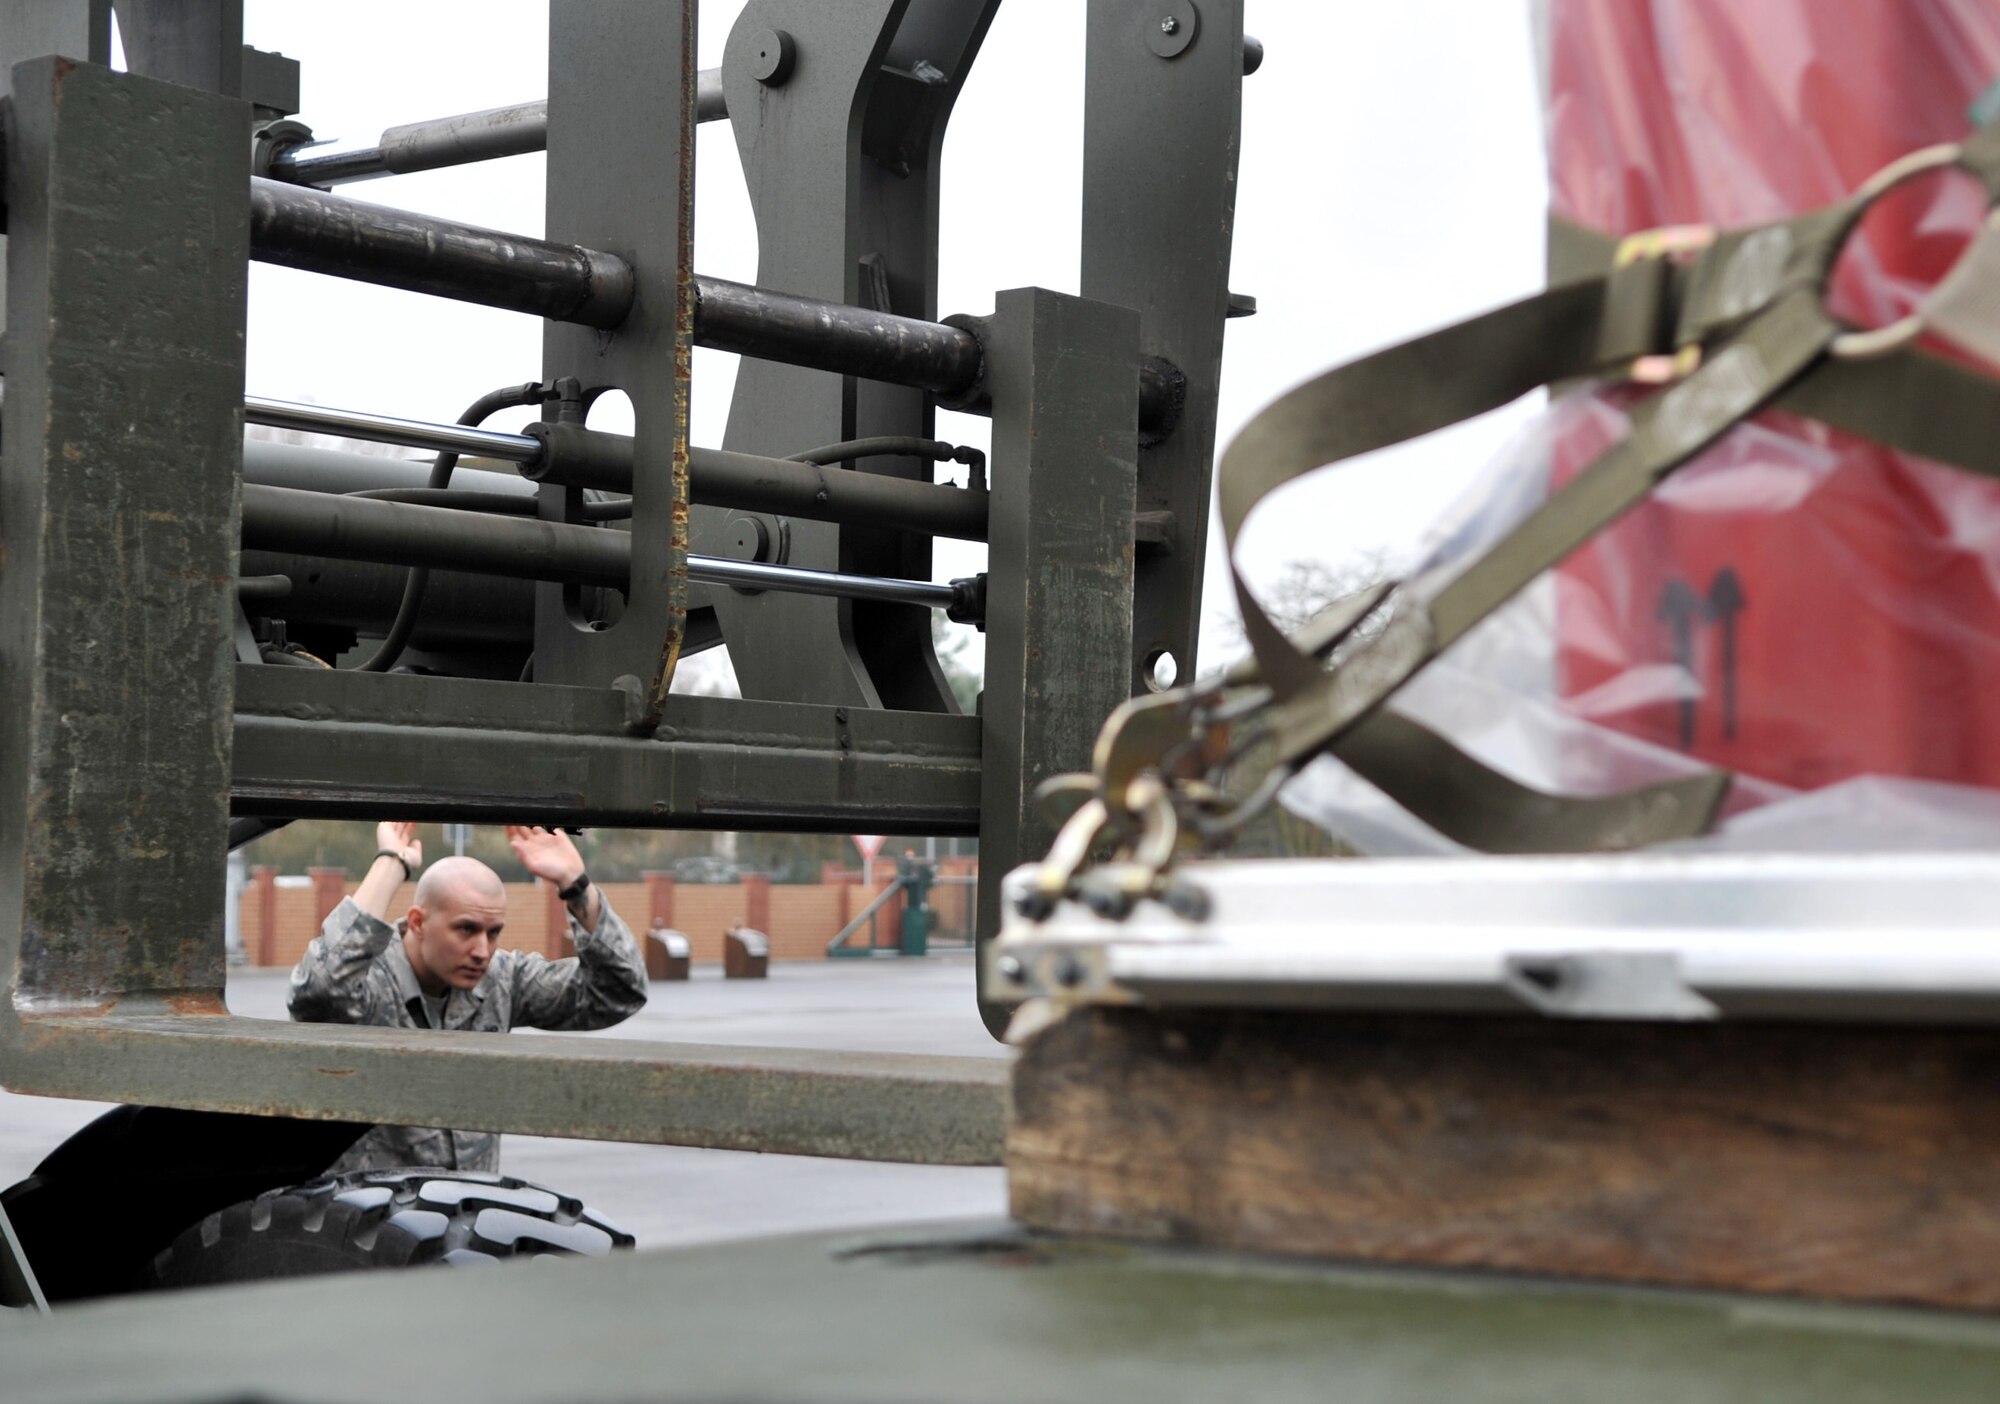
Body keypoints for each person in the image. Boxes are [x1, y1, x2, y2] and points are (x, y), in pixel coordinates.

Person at [288, 820, 648, 1174]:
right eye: (466, 929)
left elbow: (619, 993)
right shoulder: (370, 982)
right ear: (417, 922)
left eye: (493, 933)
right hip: (375, 1223)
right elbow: (318, 989)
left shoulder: (502, 980)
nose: (482, 950)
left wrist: (576, 885)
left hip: (470, 1217)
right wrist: (391, 863)